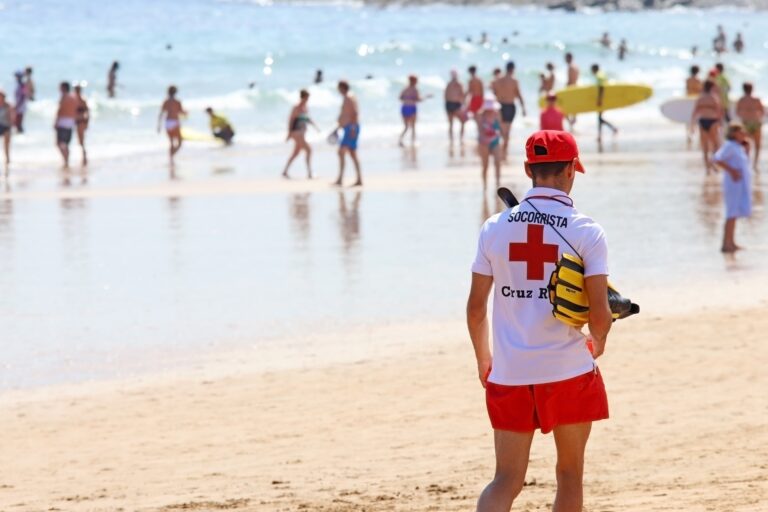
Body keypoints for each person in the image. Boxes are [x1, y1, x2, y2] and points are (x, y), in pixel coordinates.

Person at [468, 129, 612, 512]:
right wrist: (598, 342)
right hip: (567, 369)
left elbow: (476, 308)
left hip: (510, 372)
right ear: (570, 171)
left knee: (505, 480)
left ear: (528, 168)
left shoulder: (493, 227)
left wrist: (484, 358)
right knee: (568, 475)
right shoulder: (586, 231)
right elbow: (600, 313)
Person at [712, 123, 752, 252]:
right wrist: (732, 171)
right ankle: (726, 244)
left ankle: (731, 242)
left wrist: (747, 147)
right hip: (733, 184)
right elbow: (716, 159)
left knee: (735, 213)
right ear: (734, 133)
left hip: (740, 184)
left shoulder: (738, 147)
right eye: (741, 132)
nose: (743, 135)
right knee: (731, 213)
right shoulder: (729, 146)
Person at [332, 80, 362, 187]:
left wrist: (353, 128)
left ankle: (341, 179)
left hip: (351, 128)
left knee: (342, 152)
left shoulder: (349, 97)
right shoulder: (347, 97)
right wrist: (337, 128)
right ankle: (358, 179)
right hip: (348, 128)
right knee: (352, 154)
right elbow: (346, 115)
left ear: (342, 87)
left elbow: (354, 113)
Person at [282, 90, 318, 179]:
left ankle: (285, 171)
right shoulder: (296, 107)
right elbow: (291, 120)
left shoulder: (305, 107)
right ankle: (309, 173)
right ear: (303, 97)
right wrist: (289, 133)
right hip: (296, 133)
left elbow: (307, 119)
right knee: (309, 150)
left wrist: (315, 126)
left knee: (296, 153)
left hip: (302, 133)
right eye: (307, 97)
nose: (308, 99)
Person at [494, 61, 526, 157]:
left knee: (502, 131)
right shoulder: (514, 81)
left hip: (500, 106)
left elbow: (494, 92)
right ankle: (504, 151)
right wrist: (523, 107)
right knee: (507, 131)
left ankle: (503, 151)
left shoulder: (498, 80)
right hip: (510, 106)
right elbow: (519, 95)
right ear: (513, 69)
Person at [691, 80, 723, 173]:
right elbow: (719, 111)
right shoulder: (713, 97)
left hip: (702, 120)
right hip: (712, 121)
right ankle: (713, 163)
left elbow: (695, 111)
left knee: (705, 145)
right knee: (716, 144)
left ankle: (707, 167)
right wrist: (720, 122)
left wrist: (692, 124)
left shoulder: (700, 98)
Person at [735, 82, 764, 170]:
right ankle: (755, 164)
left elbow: (737, 112)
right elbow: (762, 112)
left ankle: (746, 161)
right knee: (757, 145)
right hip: (755, 122)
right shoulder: (756, 99)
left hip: (745, 123)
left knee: (744, 144)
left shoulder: (741, 100)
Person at [476, 99, 502, 189]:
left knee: (497, 162)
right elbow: (480, 131)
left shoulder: (497, 115)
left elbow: (500, 128)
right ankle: (485, 185)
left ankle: (498, 183)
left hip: (495, 141)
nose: (490, 111)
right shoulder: (480, 117)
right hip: (484, 142)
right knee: (485, 165)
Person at [157, 85, 186, 166]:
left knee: (171, 143)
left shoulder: (165, 101)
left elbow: (161, 113)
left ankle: (171, 160)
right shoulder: (177, 102)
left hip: (168, 123)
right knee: (180, 142)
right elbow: (181, 112)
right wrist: (186, 113)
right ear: (175, 92)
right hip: (175, 122)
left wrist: (158, 125)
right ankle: (172, 156)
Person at [399, 75, 430, 146]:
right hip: (412, 108)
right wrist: (426, 97)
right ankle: (413, 142)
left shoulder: (405, 89)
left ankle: (401, 139)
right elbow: (419, 99)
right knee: (413, 126)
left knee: (406, 126)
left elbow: (400, 98)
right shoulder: (415, 89)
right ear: (414, 81)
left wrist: (407, 99)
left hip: (404, 107)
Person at [54, 82, 78, 169]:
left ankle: (65, 160)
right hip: (71, 122)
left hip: (62, 122)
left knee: (59, 143)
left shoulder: (64, 97)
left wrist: (55, 121)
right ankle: (67, 160)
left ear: (64, 88)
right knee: (66, 143)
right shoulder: (74, 97)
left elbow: (60, 110)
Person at [591, 64, 617, 143]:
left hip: (602, 100)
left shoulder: (599, 76)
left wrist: (599, 100)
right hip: (605, 99)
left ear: (594, 69)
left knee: (599, 118)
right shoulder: (602, 75)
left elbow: (601, 88)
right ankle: (601, 135)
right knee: (599, 118)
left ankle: (612, 129)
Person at [445, 70, 466, 142]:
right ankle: (461, 138)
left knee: (451, 123)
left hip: (448, 104)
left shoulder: (449, 84)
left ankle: (451, 140)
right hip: (456, 104)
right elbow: (462, 95)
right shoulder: (459, 84)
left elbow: (445, 95)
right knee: (462, 122)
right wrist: (464, 104)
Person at [74, 83, 90, 167]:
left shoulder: (82, 100)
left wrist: (87, 122)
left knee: (81, 140)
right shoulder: (74, 99)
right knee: (80, 140)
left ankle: (84, 156)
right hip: (76, 122)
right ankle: (83, 156)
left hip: (81, 122)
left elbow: (87, 112)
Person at [0, 90, 14, 167]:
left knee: (6, 144)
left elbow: (12, 117)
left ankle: (7, 159)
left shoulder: (7, 106)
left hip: (6, 126)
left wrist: (12, 123)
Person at [565, 53, 579, 128]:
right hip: (576, 87)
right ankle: (572, 124)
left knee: (563, 108)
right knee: (573, 108)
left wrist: (565, 88)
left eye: (566, 58)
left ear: (569, 58)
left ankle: (570, 124)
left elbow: (569, 80)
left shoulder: (570, 67)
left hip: (570, 89)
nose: (565, 60)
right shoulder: (576, 66)